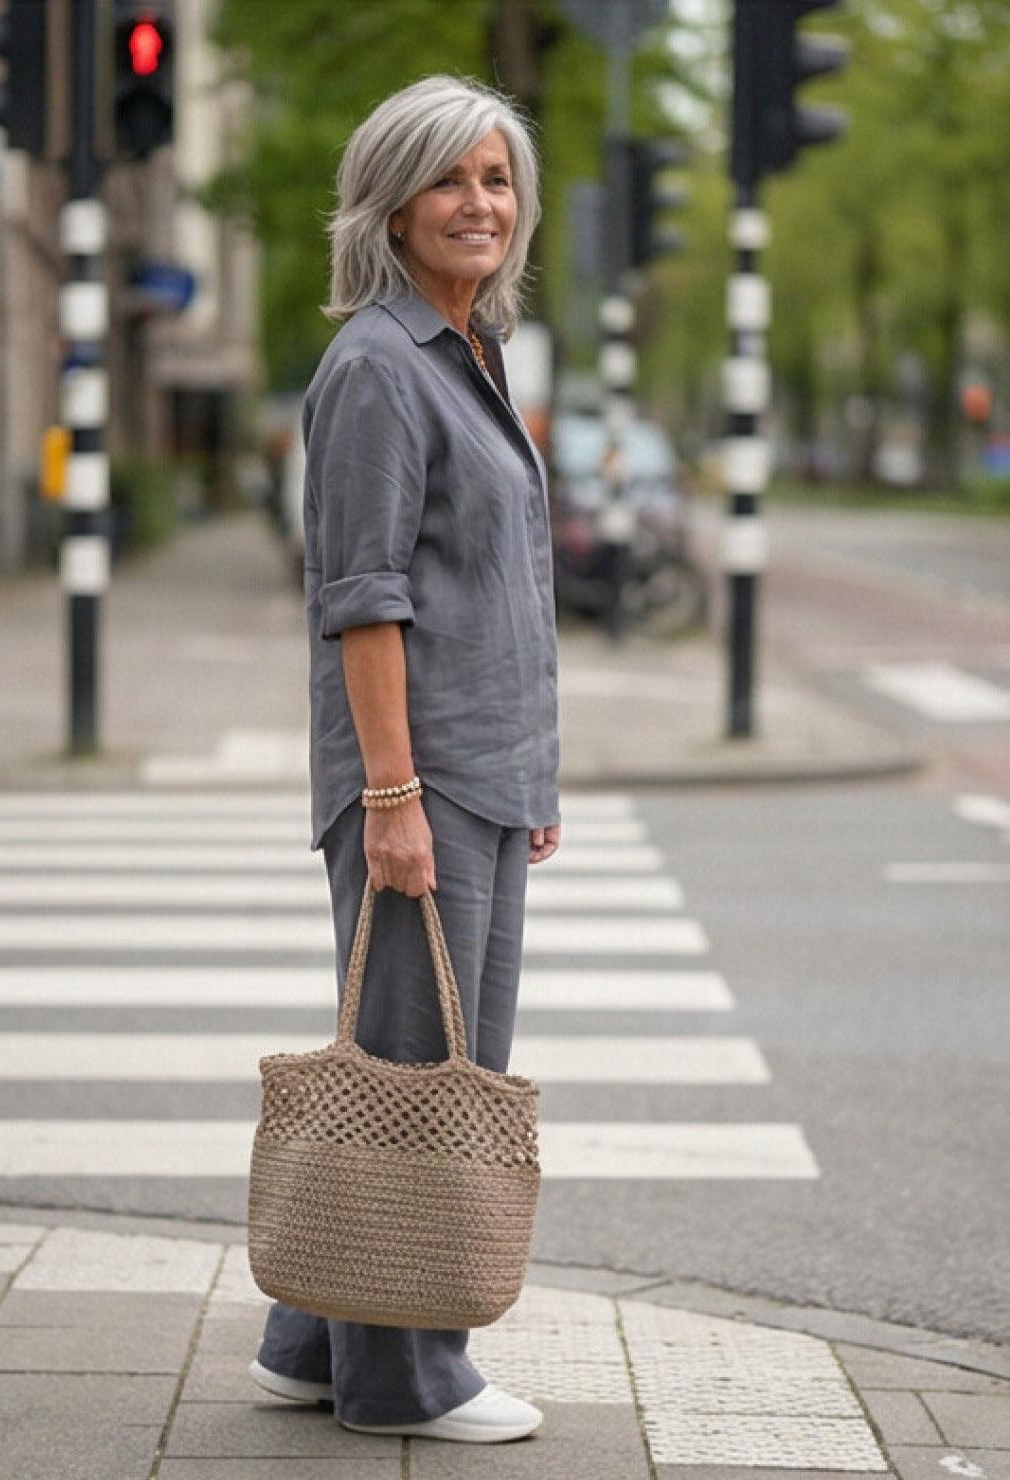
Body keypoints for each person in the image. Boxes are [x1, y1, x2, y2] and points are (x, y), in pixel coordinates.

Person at [249, 72, 562, 1445]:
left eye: (497, 179)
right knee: (427, 1076)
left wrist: (528, 774)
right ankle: (402, 1380)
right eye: (450, 179)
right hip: (417, 778)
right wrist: (390, 797)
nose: (479, 203)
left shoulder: (463, 348)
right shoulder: (379, 365)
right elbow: (362, 597)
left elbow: (491, 584)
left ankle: (310, 1341)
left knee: (402, 1058)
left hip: (476, 770)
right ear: (390, 200)